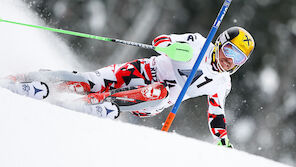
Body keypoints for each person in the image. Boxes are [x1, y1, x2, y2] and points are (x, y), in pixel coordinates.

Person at [0, 26, 255, 148]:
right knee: (92, 82)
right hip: (144, 70)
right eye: (229, 51)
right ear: (221, 43)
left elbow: (216, 113)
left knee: (162, 91)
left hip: (154, 99)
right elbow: (162, 40)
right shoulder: (199, 44)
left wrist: (222, 140)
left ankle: (108, 104)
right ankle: (31, 79)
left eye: (238, 59)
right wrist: (170, 47)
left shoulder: (222, 83)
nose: (229, 61)